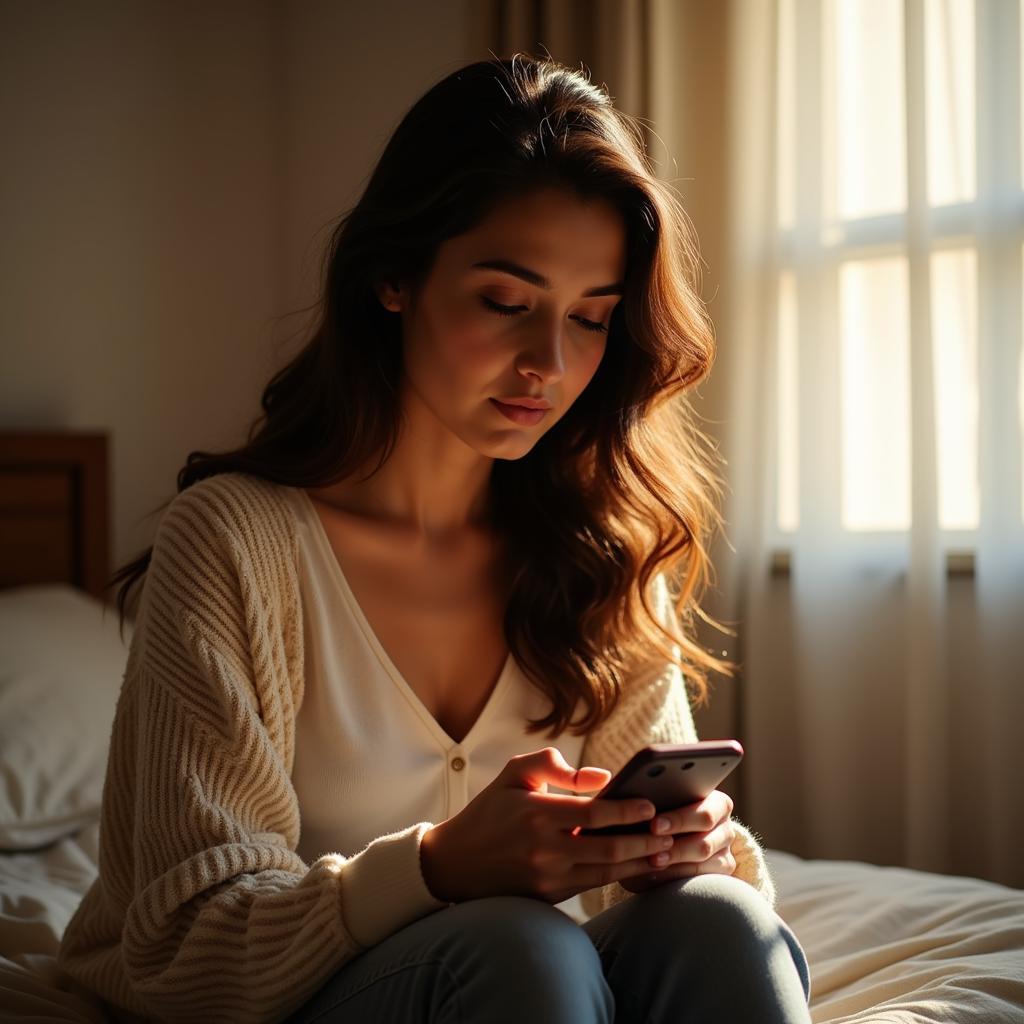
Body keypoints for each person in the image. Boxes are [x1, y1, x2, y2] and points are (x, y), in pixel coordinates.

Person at [56, 53, 812, 1023]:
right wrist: (435, 866)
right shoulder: (239, 542)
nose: (548, 362)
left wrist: (684, 847)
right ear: (393, 279)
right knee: (518, 943)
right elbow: (187, 946)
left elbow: (658, 895)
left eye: (590, 318)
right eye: (506, 302)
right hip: (290, 996)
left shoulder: (598, 544)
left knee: (719, 922)